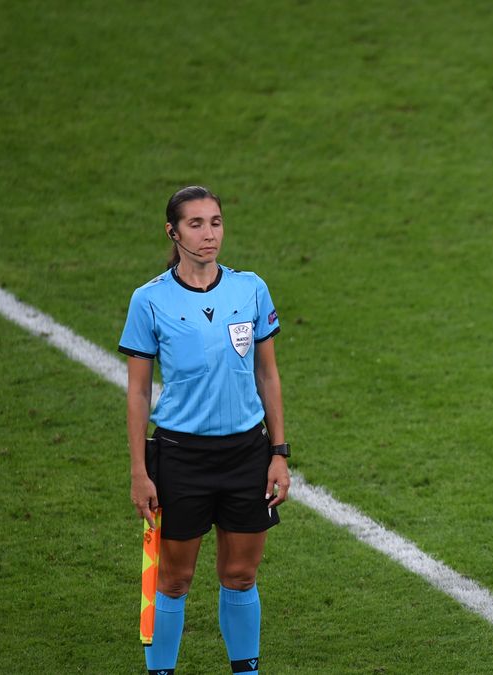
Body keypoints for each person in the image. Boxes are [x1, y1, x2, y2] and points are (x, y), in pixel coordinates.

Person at [121, 186, 290, 675]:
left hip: (246, 455)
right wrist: (139, 470)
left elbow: (268, 375)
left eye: (215, 222)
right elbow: (137, 393)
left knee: (240, 575)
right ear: (173, 233)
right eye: (195, 224)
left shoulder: (250, 289)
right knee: (174, 580)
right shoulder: (148, 300)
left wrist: (278, 451)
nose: (208, 233)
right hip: (180, 458)